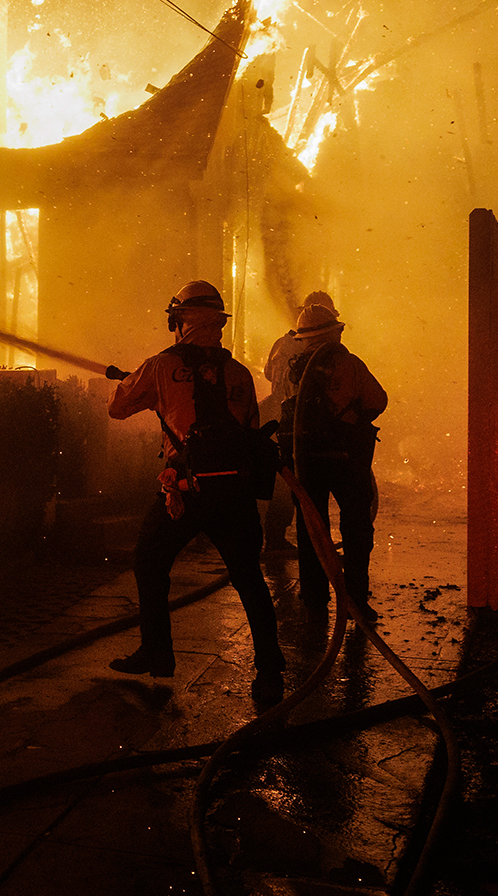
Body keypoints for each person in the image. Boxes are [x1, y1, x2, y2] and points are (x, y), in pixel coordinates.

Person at [107, 280, 287, 703]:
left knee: (149, 562)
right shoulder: (238, 373)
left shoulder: (161, 366)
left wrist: (143, 385)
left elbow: (118, 408)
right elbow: (250, 430)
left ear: (179, 321)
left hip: (185, 492)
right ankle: (270, 666)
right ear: (218, 324)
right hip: (235, 493)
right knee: (249, 578)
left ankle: (157, 652)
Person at [278, 299, 387, 621]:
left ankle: (314, 598)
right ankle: (355, 600)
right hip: (346, 459)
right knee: (356, 529)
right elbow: (377, 401)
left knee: (311, 530)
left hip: (306, 460)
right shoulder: (349, 364)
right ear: (334, 333)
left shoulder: (292, 370)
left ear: (305, 338)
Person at [260, 290, 337, 549]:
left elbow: (268, 373)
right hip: (299, 419)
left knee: (286, 479)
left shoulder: (282, 342)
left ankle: (277, 536)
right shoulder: (319, 349)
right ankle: (283, 539)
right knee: (296, 482)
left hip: (278, 414)